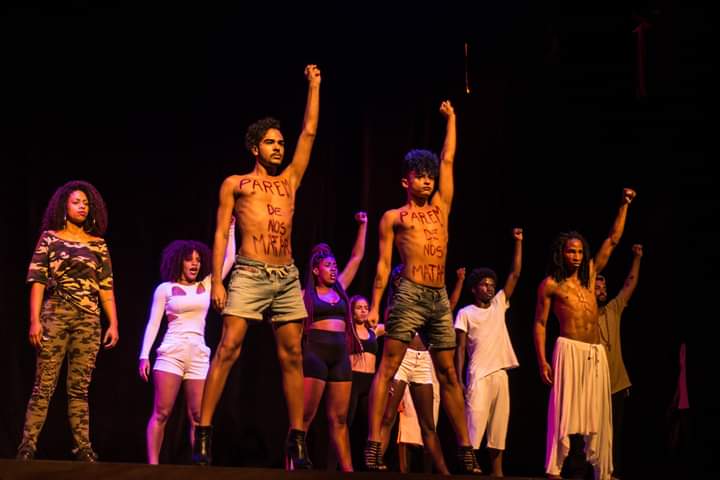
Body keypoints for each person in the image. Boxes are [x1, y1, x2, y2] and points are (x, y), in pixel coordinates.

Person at [192, 64, 321, 470]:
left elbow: (309, 132)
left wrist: (314, 86)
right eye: (270, 142)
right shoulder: (236, 183)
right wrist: (217, 280)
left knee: (293, 355)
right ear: (254, 148)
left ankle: (297, 440)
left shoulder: (290, 181)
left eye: (281, 142)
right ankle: (203, 434)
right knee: (228, 347)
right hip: (248, 271)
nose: (278, 148)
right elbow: (219, 233)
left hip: (285, 275)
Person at [364, 100, 481, 474]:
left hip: (438, 296)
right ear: (406, 181)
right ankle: (373, 445)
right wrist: (374, 305)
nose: (428, 180)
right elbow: (383, 266)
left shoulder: (441, 208)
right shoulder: (394, 217)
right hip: (409, 293)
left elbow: (448, 159)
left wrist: (452, 120)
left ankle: (466, 449)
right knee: (388, 367)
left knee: (448, 373)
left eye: (430, 176)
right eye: (420, 176)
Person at [533, 188, 636, 480]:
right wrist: (542, 360)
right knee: (563, 411)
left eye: (579, 251)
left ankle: (602, 470)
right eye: (571, 251)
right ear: (561, 253)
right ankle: (555, 468)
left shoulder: (590, 274)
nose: (576, 256)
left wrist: (624, 205)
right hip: (568, 349)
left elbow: (613, 240)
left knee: (599, 412)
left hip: (595, 352)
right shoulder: (551, 284)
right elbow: (539, 323)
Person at [17, 180, 119, 462]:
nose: (82, 207)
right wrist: (34, 321)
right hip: (55, 315)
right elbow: (37, 281)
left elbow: (106, 287)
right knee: (44, 385)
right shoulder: (50, 238)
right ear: (64, 206)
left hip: (88, 320)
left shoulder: (98, 244)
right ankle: (27, 445)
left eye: (86, 203)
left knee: (79, 388)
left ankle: (83, 447)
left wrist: (113, 323)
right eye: (76, 202)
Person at [138, 220, 236, 464]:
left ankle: (199, 467)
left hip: (198, 355)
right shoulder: (165, 289)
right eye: (189, 260)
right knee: (162, 412)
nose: (194, 264)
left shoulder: (206, 285)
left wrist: (231, 230)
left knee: (198, 417)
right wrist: (144, 355)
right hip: (171, 353)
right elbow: (153, 323)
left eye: (198, 260)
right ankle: (153, 465)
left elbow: (229, 260)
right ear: (179, 262)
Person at [380, 266, 466, 474]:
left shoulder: (427, 304)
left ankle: (444, 472)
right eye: (399, 278)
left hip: (423, 361)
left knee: (428, 423)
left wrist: (459, 282)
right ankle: (375, 462)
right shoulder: (394, 306)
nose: (403, 281)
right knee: (389, 417)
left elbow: (448, 308)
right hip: (403, 359)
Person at [301, 212, 367, 472]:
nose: (333, 269)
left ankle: (348, 470)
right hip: (315, 355)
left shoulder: (340, 287)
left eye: (334, 265)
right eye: (328, 266)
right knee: (304, 418)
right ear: (316, 270)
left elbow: (357, 257)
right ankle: (291, 466)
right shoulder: (305, 294)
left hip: (340, 357)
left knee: (339, 419)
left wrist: (363, 226)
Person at [454, 228, 523, 477]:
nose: (490, 288)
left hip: (501, 373)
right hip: (478, 374)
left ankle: (497, 472)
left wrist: (518, 242)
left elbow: (515, 273)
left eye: (492, 285)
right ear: (474, 289)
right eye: (484, 285)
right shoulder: (465, 313)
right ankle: (468, 468)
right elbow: (460, 348)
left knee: (499, 428)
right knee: (474, 425)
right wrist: (459, 379)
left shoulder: (498, 304)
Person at [596, 243, 642, 478]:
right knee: (591, 432)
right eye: (597, 286)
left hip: (617, 383)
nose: (602, 289)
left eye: (604, 286)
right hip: (594, 385)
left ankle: (610, 472)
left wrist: (637, 258)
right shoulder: (582, 315)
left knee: (614, 433)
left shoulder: (613, 309)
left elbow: (629, 283)